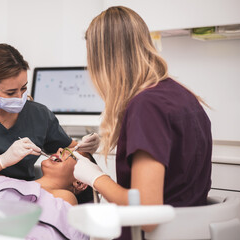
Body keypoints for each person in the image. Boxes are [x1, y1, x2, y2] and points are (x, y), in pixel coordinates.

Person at [72, 6, 212, 240]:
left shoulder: (146, 106)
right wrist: (109, 138)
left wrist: (96, 177)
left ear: (103, 60)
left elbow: (147, 214)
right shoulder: (180, 95)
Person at [0, 43, 99, 180]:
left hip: (23, 199)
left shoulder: (39, 115)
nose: (19, 97)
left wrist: (86, 147)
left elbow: (70, 152)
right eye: (10, 93)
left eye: (23, 88)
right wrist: (2, 161)